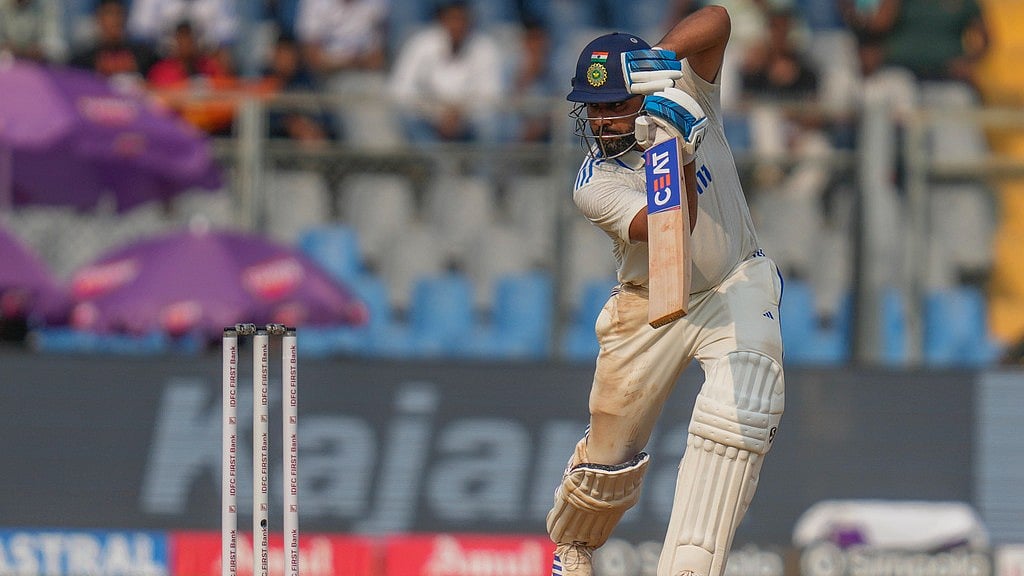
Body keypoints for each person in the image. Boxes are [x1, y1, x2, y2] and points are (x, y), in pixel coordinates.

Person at [546, 6, 785, 576]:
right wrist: (678, 153)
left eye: (615, 105)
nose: (602, 121)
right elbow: (669, 231)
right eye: (594, 109)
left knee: (742, 407)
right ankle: (574, 546)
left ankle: (689, 567)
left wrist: (661, 60)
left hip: (733, 282)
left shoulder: (684, 91)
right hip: (648, 304)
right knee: (609, 453)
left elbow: (719, 19)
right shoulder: (594, 183)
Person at [389, 0, 503, 143]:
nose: (457, 26)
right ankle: (438, 164)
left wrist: (461, 114)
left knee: (490, 126)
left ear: (470, 23)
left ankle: (477, 165)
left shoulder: (485, 48)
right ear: (441, 21)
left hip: (468, 124)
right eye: (452, 20)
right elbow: (400, 89)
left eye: (462, 20)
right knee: (409, 120)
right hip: (427, 119)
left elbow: (491, 95)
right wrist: (436, 114)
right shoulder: (420, 44)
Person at [68, 0, 158, 84]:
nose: (115, 20)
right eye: (109, 14)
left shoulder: (144, 55)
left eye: (119, 14)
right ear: (99, 19)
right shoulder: (82, 61)